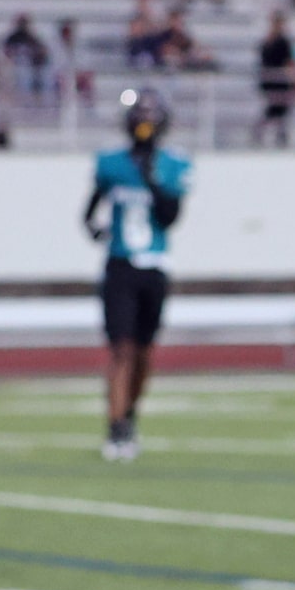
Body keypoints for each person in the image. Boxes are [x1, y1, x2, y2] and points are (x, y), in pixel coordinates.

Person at [82, 87, 189, 462]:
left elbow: (171, 217)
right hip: (120, 265)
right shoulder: (111, 164)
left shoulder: (172, 165)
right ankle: (116, 425)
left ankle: (129, 415)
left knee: (143, 352)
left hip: (155, 266)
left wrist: (153, 178)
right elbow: (89, 211)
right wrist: (94, 229)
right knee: (121, 348)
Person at [254, 12, 294, 145]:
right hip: (270, 79)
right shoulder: (268, 40)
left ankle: (279, 134)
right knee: (274, 107)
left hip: (281, 80)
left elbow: (288, 61)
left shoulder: (284, 41)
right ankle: (269, 132)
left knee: (280, 108)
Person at [3, 13, 51, 98]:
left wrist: (33, 53)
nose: (23, 25)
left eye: (24, 23)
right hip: (15, 68)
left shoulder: (32, 37)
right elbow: (6, 52)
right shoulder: (12, 38)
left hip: (30, 69)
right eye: (21, 22)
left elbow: (42, 51)